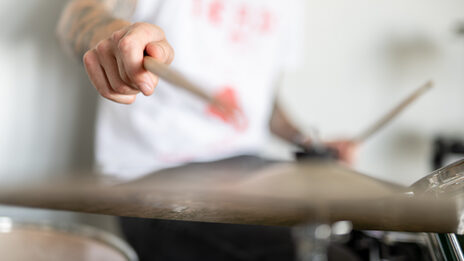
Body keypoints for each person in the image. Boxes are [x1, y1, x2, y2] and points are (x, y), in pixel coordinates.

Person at [57, 0, 357, 260]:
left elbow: (262, 104)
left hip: (248, 167)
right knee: (329, 255)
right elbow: (77, 15)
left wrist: (306, 140)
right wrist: (113, 38)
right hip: (154, 177)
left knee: (361, 237)